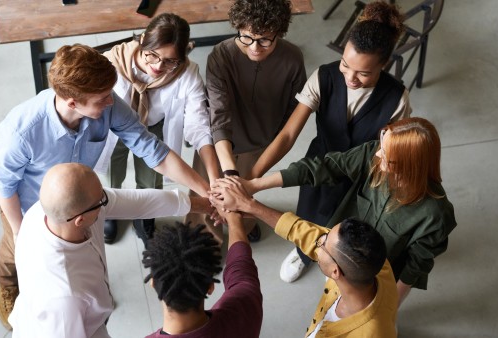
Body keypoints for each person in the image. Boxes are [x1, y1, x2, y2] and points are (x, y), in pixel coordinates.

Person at [0, 43, 210, 330]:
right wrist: (22, 235)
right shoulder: (20, 133)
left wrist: (206, 191)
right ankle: (8, 286)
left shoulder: (106, 103)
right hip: (27, 206)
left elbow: (152, 150)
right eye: (102, 98)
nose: (111, 102)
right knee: (13, 257)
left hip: (83, 199)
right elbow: (3, 185)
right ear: (72, 102)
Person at [249, 0, 412, 283]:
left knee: (350, 227)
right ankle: (303, 252)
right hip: (318, 166)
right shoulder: (324, 77)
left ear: (383, 65)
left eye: (363, 73)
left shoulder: (397, 98)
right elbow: (288, 135)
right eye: (345, 65)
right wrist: (251, 178)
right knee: (309, 212)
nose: (350, 77)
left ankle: (337, 259)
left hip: (361, 177)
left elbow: (391, 153)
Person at [214, 117, 457, 306]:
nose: (379, 154)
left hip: (376, 275)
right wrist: (254, 185)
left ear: (410, 166)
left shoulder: (436, 215)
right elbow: (324, 167)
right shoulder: (375, 153)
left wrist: (389, 306)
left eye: (389, 157)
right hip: (338, 247)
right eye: (382, 144)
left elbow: (414, 268)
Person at [9, 163, 213, 337]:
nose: (106, 200)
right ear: (80, 220)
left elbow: (138, 202)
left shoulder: (50, 210)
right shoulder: (65, 297)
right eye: (101, 201)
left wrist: (206, 205)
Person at [188, 0, 307, 243]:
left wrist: (270, 141)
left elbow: (293, 113)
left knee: (247, 195)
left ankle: (246, 222)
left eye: (265, 40)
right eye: (246, 37)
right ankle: (204, 239)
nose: (255, 47)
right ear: (238, 27)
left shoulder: (293, 59)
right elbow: (219, 116)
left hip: (260, 142)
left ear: (279, 33)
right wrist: (230, 173)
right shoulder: (221, 55)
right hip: (220, 142)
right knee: (208, 193)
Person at [214, 180, 398, 337]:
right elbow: (305, 232)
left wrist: (234, 220)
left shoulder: (372, 332)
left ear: (336, 271)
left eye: (323, 244)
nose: (318, 240)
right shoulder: (375, 264)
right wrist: (250, 206)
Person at [101, 13, 219, 245]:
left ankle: (144, 216)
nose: (157, 66)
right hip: (114, 127)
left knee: (151, 179)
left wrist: (214, 182)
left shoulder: (186, 72)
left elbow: (198, 124)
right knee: (111, 173)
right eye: (152, 55)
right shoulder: (111, 62)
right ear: (143, 40)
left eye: (169, 61)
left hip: (153, 126)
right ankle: (111, 209)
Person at [143, 215, 262, 337]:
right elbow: (241, 267)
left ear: (152, 283)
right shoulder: (246, 304)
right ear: (210, 286)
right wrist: (233, 219)